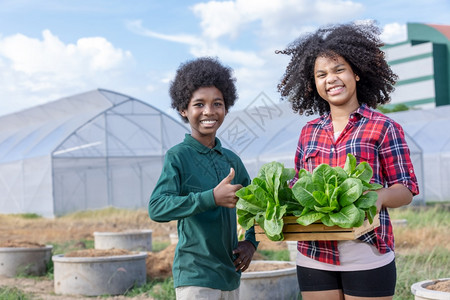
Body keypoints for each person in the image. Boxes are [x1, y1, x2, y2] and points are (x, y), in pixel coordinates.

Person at [276, 23, 419, 299]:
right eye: (321, 74)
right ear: (313, 84)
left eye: (338, 69)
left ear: (356, 73)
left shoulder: (383, 127)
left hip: (367, 251)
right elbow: (297, 185)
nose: (331, 79)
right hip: (313, 254)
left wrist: (381, 197)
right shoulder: (309, 132)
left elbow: (406, 188)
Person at [148, 57, 258, 300]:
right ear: (183, 110)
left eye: (217, 103)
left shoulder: (231, 160)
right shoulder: (178, 156)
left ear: (226, 108)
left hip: (230, 273)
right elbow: (157, 208)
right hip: (195, 275)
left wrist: (250, 242)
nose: (209, 111)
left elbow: (258, 207)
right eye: (199, 104)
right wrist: (211, 198)